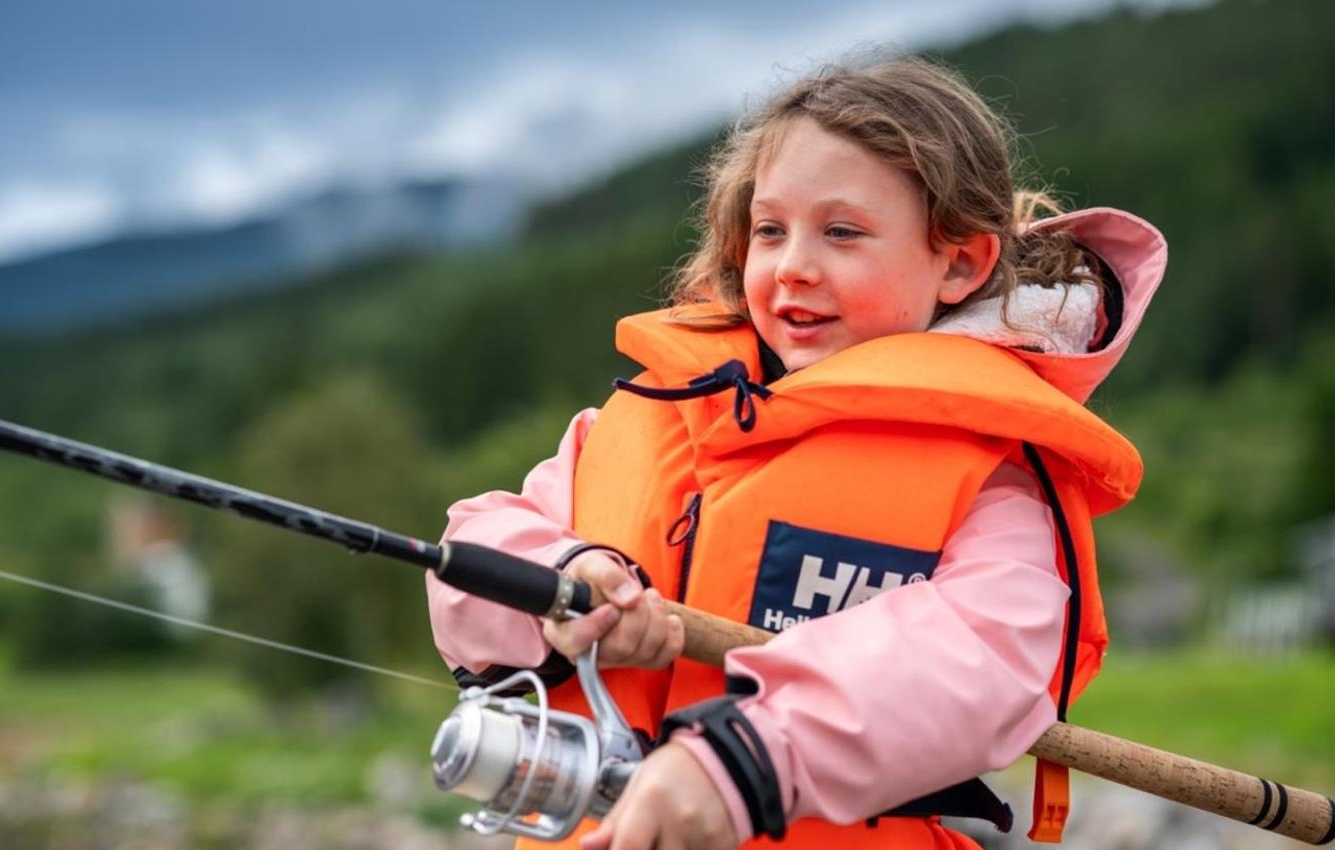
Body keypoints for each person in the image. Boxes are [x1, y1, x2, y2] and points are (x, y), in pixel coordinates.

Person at [427, 57, 1166, 850]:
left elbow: (979, 661)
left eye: (842, 233)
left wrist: (739, 765)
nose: (794, 267)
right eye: (770, 231)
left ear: (959, 261)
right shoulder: (641, 418)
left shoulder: (995, 480)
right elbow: (472, 556)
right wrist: (571, 580)